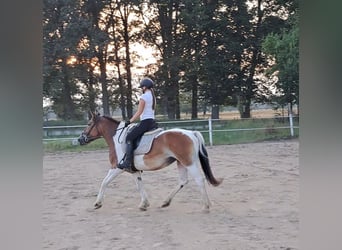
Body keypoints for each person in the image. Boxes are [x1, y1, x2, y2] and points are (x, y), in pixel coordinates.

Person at [118, 77, 158, 172]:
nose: (142, 89)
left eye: (142, 87)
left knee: (129, 137)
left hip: (145, 122)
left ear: (145, 87)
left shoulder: (144, 97)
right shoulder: (153, 97)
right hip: (152, 122)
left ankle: (127, 162)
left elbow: (139, 112)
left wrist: (129, 121)